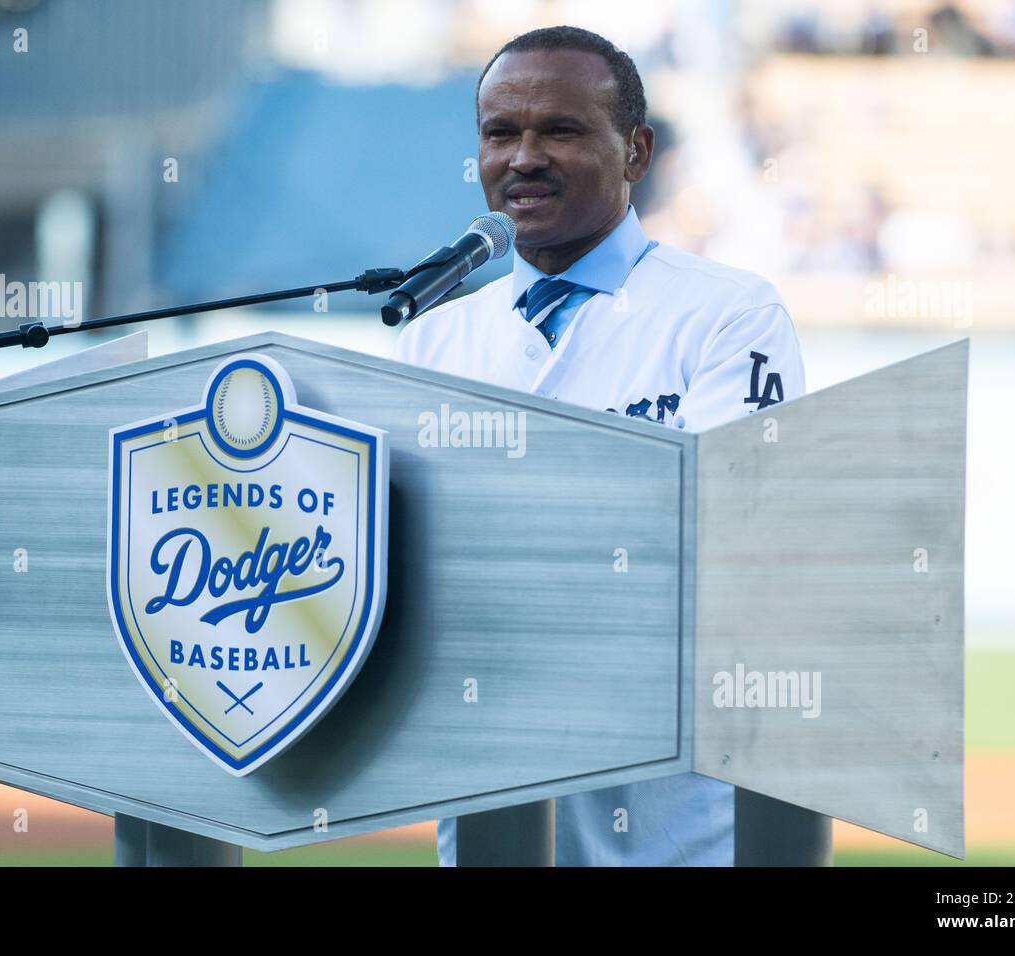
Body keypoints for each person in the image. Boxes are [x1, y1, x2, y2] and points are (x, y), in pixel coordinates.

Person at [392, 25, 805, 866]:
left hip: (681, 830)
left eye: (562, 130)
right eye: (501, 133)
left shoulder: (729, 313)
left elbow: (723, 535)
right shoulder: (436, 341)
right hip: (489, 807)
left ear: (636, 152)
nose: (524, 157)